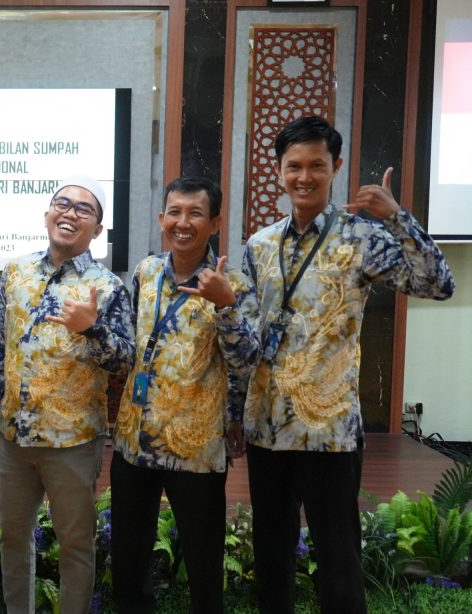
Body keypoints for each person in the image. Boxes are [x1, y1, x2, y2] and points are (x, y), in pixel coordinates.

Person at [243, 116, 455, 613]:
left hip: (329, 431)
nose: (304, 176)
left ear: (335, 167)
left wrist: (398, 216)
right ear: (279, 171)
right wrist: (238, 413)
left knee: (338, 560)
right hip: (266, 428)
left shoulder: (359, 237)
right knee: (272, 558)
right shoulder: (258, 244)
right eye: (294, 165)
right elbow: (251, 335)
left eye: (317, 165)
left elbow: (438, 284)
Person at [0, 176, 133, 614]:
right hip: (13, 438)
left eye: (83, 209)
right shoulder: (16, 272)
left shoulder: (107, 288)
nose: (69, 213)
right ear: (48, 213)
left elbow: (124, 359)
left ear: (97, 229)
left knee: (75, 544)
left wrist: (92, 328)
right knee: (13, 538)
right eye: (61, 203)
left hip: (72, 441)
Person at [109, 177, 260, 613]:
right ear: (161, 219)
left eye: (195, 213)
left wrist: (226, 307)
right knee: (128, 563)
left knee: (203, 564)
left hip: (195, 446)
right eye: (175, 212)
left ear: (214, 222)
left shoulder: (232, 284)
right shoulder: (146, 271)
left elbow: (247, 362)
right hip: (135, 442)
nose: (183, 222)